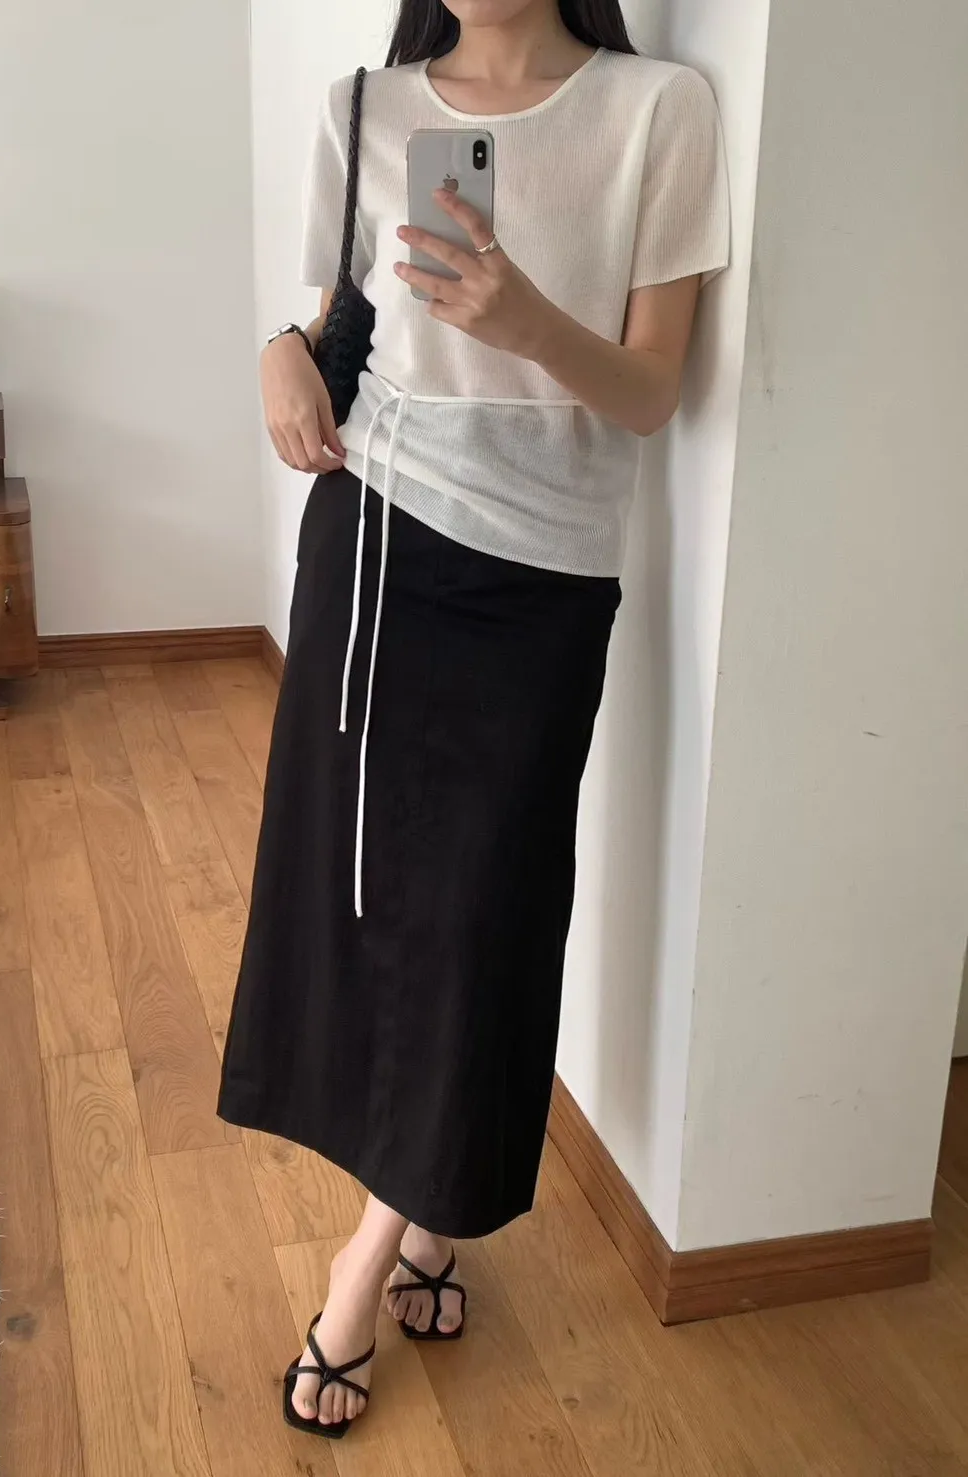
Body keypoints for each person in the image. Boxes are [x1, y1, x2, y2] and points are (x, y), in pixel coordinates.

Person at [218, 0, 730, 1439]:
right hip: (377, 539)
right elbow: (346, 328)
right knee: (363, 899)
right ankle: (411, 1228)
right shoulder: (364, 106)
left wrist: (526, 321)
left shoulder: (657, 110)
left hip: (544, 576)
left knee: (483, 913)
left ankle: (365, 1255)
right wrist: (279, 350)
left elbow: (650, 395)